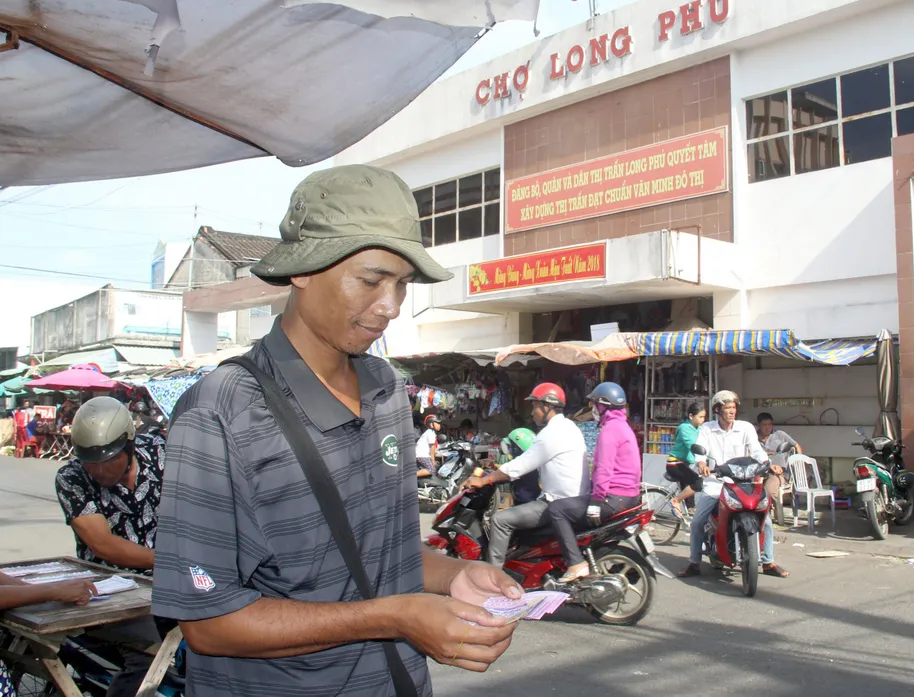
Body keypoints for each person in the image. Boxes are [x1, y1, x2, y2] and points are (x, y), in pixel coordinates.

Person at [151, 165, 520, 697]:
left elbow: (378, 553)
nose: (390, 306)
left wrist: (449, 576)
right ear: (301, 271)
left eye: (401, 284)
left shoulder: (387, 388)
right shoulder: (221, 412)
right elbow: (208, 625)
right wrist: (394, 617)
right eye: (371, 280)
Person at [466, 383, 589, 567]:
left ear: (548, 406)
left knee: (499, 520)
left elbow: (519, 466)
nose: (532, 412)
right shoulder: (570, 427)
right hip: (573, 500)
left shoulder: (551, 433)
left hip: (557, 502)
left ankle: (493, 576)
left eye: (535, 406)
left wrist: (485, 480)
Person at [678, 391, 789, 579]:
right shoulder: (707, 429)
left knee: (766, 522)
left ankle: (768, 562)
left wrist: (768, 465)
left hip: (743, 482)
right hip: (716, 483)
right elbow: (700, 451)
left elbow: (756, 450)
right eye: (727, 408)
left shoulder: (745, 428)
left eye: (733, 408)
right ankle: (694, 563)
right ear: (717, 409)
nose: (731, 411)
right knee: (697, 522)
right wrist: (702, 464)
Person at [55, 396, 164, 575]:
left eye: (110, 460)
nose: (99, 470)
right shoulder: (71, 477)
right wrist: (172, 562)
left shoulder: (159, 453)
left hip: (173, 579)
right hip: (109, 583)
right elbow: (103, 544)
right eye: (90, 461)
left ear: (129, 446)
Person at [547, 382, 642, 582]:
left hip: (613, 497)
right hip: (629, 496)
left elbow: (603, 470)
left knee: (557, 509)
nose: (592, 409)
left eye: (594, 405)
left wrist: (596, 501)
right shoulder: (623, 427)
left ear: (603, 406)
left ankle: (575, 563)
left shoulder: (609, 431)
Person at [666, 403, 708, 517]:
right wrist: (703, 458)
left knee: (691, 494)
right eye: (700, 417)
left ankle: (689, 513)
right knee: (697, 483)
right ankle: (676, 501)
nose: (703, 420)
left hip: (685, 464)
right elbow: (694, 445)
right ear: (691, 416)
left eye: (704, 417)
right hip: (675, 464)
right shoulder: (685, 428)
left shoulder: (700, 428)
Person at [500, 427, 541, 505]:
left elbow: (506, 475)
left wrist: (486, 479)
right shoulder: (534, 463)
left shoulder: (523, 465)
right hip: (525, 499)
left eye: (512, 447)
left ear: (519, 449)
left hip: (525, 502)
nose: (510, 450)